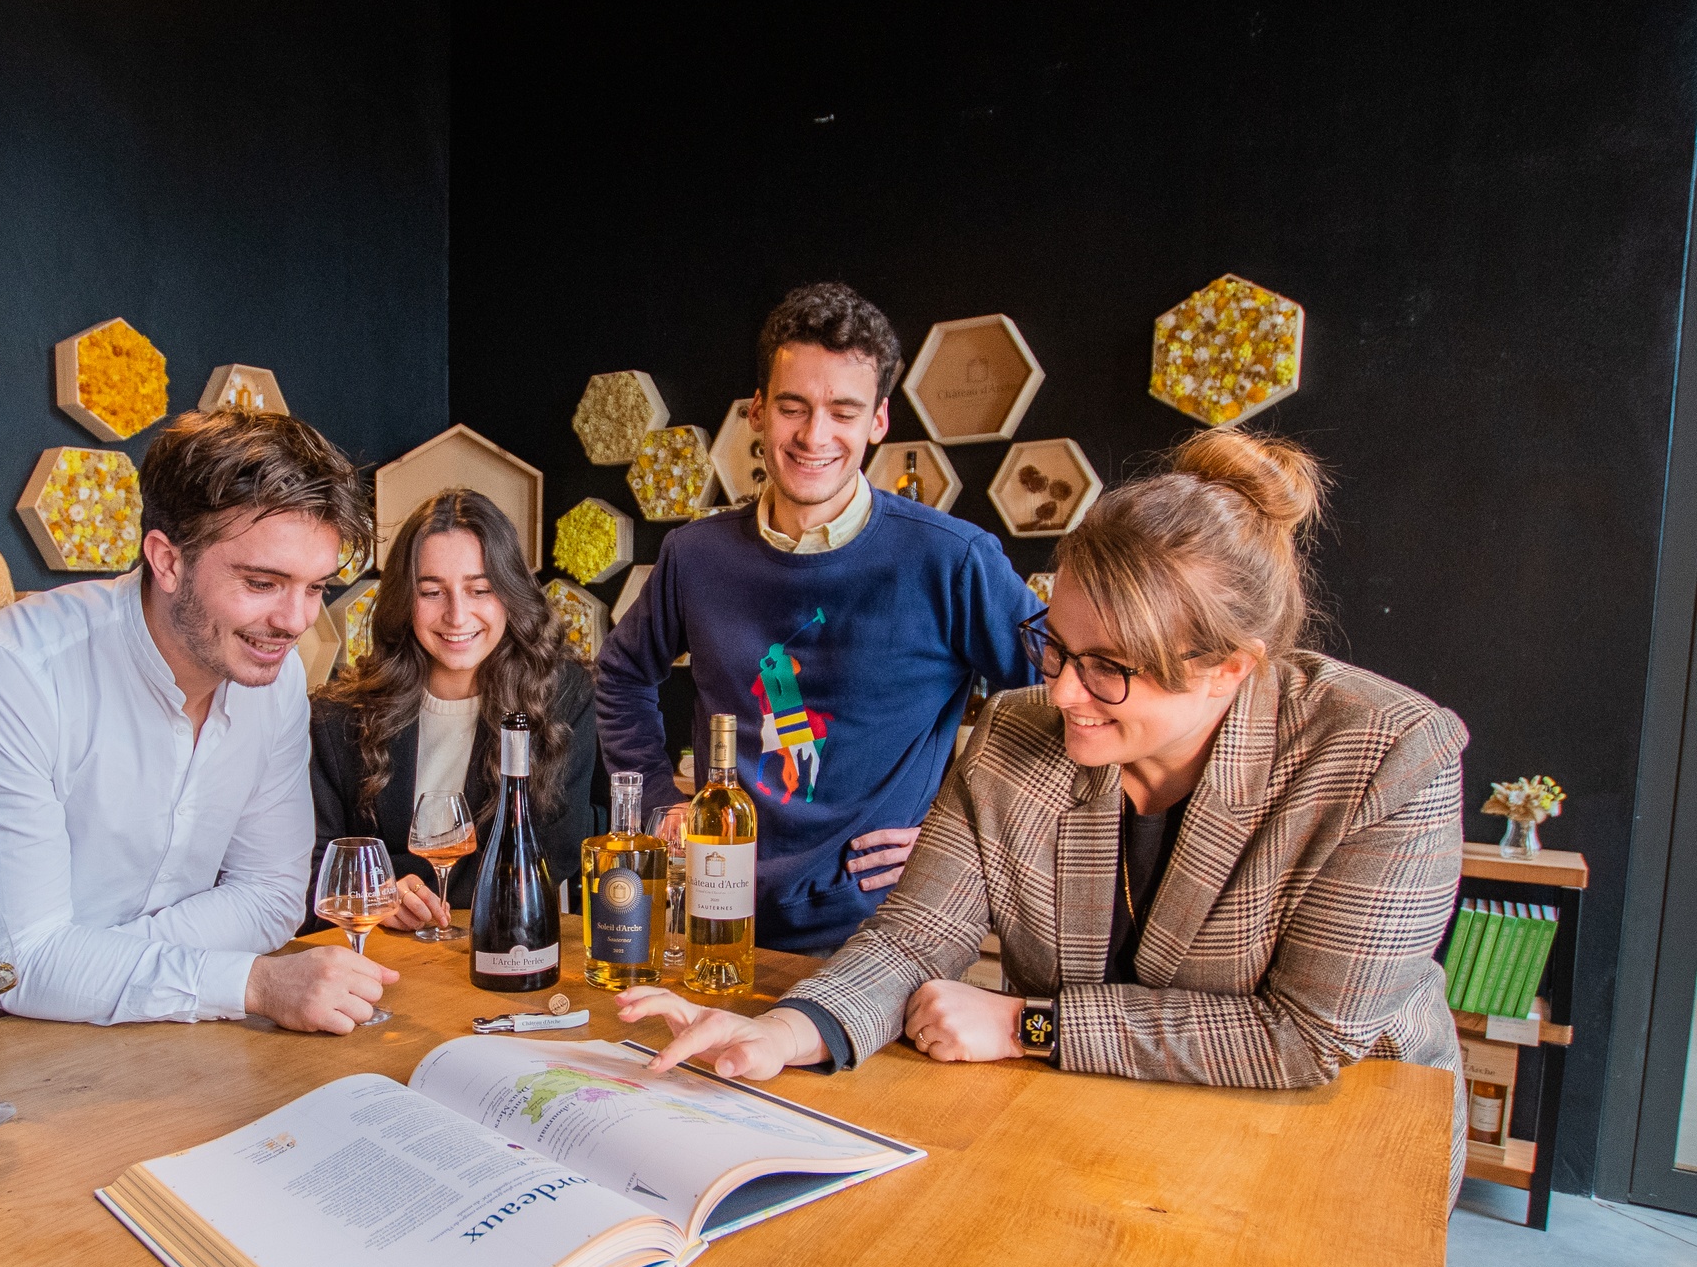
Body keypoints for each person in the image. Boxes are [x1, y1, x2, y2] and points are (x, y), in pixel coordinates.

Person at [624, 430, 1468, 1134]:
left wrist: (1029, 1024)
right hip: (1098, 1117)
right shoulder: (1018, 732)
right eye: (1056, 647)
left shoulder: (1390, 757)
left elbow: (1302, 1036)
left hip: (1342, 1126)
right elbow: (912, 939)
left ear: (1228, 669)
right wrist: (788, 1027)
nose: (1061, 692)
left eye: (1109, 669)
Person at [595, 281, 1040, 953]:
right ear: (757, 411)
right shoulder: (695, 555)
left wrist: (969, 840)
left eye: (843, 410)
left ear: (879, 421)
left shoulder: (952, 559)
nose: (814, 435)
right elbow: (622, 672)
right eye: (794, 408)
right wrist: (661, 800)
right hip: (717, 922)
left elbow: (1069, 698)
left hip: (886, 938)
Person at [0, 409, 394, 1032]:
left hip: (183, 1034)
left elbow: (274, 895)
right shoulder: (4, 674)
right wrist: (247, 980)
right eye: (262, 582)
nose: (296, 620)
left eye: (315, 587)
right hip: (9, 1047)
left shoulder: (271, 676)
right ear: (166, 560)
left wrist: (99, 963)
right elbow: (22, 962)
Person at [310, 488, 598, 934]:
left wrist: (393, 879)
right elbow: (315, 866)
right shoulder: (337, 716)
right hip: (376, 962)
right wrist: (384, 895)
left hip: (503, 945)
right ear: (405, 600)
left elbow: (549, 853)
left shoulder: (560, 698)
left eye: (480, 589)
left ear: (510, 593)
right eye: (431, 592)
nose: (457, 615)